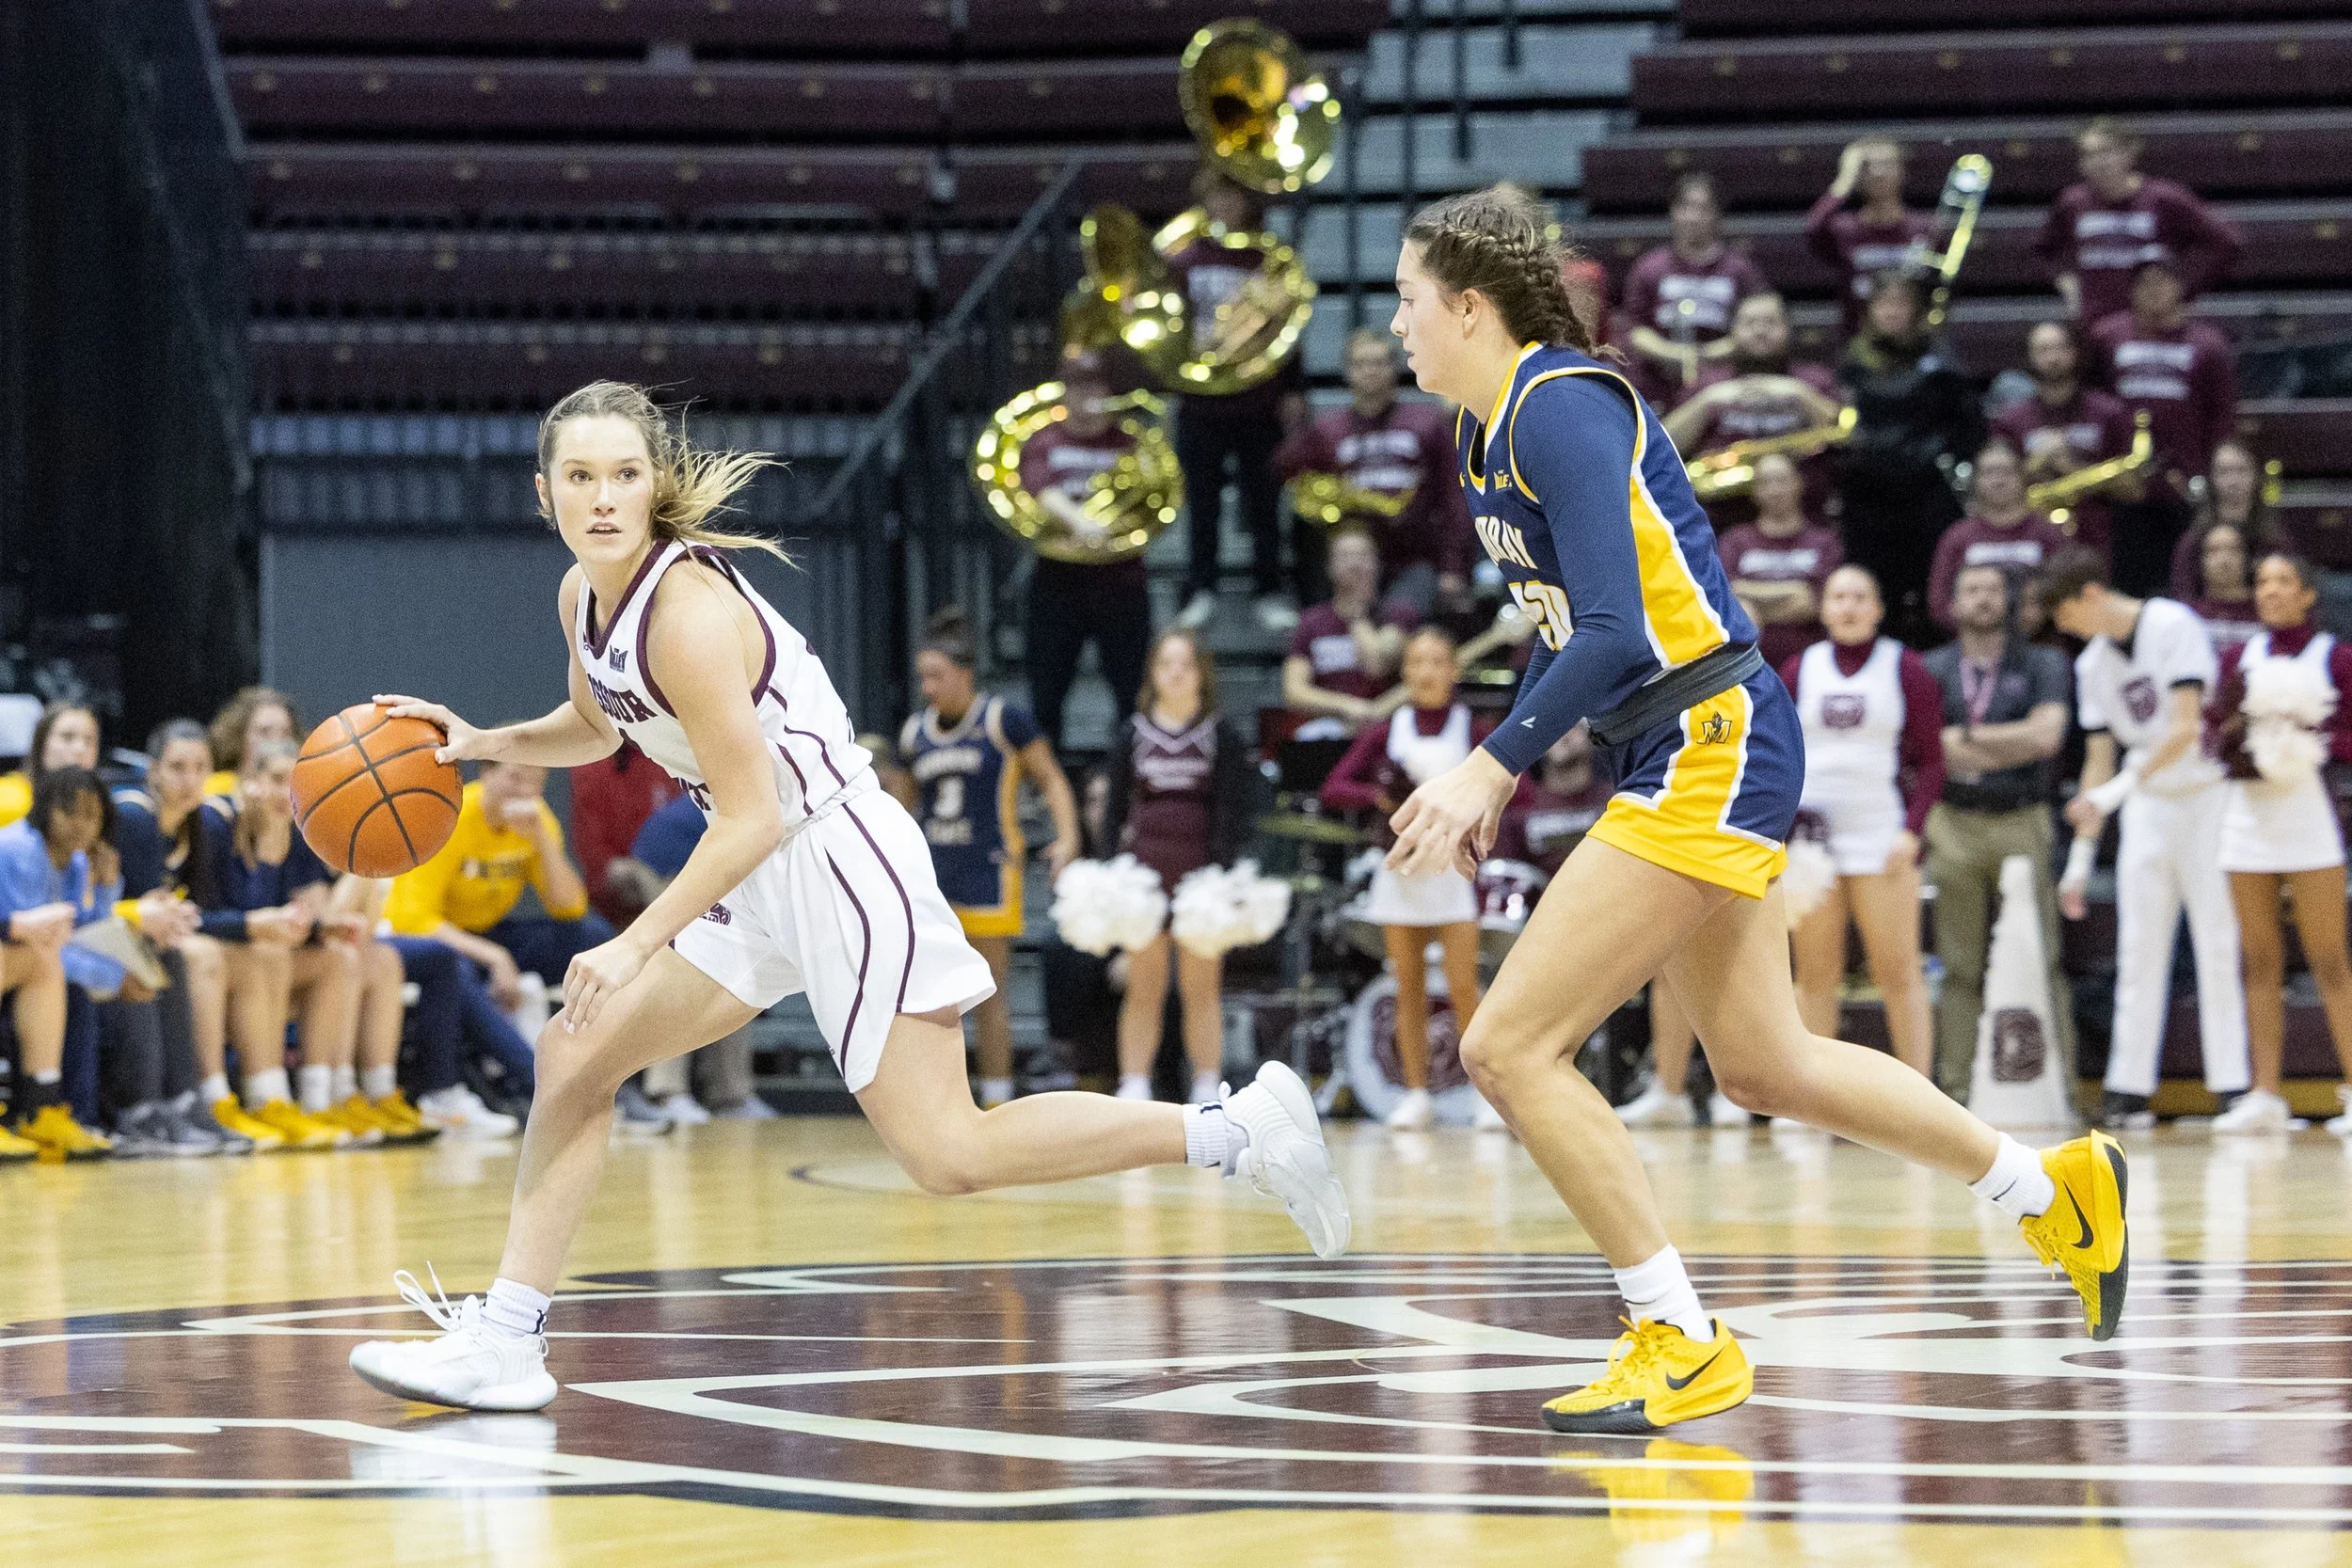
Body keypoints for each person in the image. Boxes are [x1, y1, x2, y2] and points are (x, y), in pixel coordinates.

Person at [348, 380, 1346, 1412]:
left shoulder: (688, 612)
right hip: (763, 866)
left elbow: (749, 818)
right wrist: (482, 740)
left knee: (946, 1153)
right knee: (573, 1054)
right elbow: (603, 722)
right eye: (581, 477)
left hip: (834, 855)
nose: (603, 498)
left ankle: (1236, 1129)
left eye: (625, 475)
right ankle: (508, 1338)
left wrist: (634, 942)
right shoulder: (581, 596)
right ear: (543, 491)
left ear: (654, 487)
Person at [1384, 185, 2124, 1436]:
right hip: (1668, 743)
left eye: (1407, 299)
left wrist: (1494, 762)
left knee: (1508, 1044)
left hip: (1708, 733)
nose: (1394, 322)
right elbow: (1566, 626)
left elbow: (1620, 626)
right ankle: (2049, 1184)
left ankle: (1676, 1331)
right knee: (1766, 1062)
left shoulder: (1561, 403)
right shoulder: (1480, 432)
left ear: (1467, 305)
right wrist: (1500, 753)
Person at [2042, 548, 2249, 1130]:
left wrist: (2115, 791)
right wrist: (2081, 859)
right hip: (2147, 808)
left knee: (2216, 939)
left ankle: (2231, 1082)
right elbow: (2098, 763)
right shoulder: (2092, 666)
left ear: (2088, 594)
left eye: (2063, 615)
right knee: (2139, 945)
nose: (2063, 630)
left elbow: (2185, 727)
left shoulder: (2173, 624)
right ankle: (2129, 1086)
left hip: (2206, 796)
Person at [1320, 627, 1503, 1132]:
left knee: (1465, 987)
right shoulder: (1387, 730)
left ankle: (1486, 1097)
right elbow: (1336, 785)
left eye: (1436, 661)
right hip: (1400, 872)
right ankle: (1417, 1094)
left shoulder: (1472, 728)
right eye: (1416, 662)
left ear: (1453, 670)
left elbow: (1516, 788)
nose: (1425, 672)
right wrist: (1379, 799)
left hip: (1451, 873)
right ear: (1405, 673)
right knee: (1408, 990)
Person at [899, 606, 1081, 1110]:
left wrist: (1067, 838)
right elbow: (903, 806)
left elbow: (1051, 779)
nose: (927, 688)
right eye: (923, 677)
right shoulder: (914, 732)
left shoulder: (1004, 719)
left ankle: (997, 1099)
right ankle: (942, 1100)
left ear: (965, 673)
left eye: (936, 676)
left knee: (986, 994)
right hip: (934, 873)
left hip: (990, 868)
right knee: (932, 998)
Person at [2204, 553, 2352, 1134]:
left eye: (2283, 581)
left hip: (2309, 818)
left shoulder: (2334, 655)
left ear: (2307, 593)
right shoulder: (2238, 656)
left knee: (2330, 960)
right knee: (2258, 958)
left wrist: (2305, 738)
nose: (2269, 591)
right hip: (2248, 819)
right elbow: (2217, 731)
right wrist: (2245, 747)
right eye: (2262, 582)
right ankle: (2265, 1092)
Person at [1922, 564, 2076, 1101]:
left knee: (2044, 954)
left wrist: (1966, 737)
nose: (1983, 600)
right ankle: (1957, 1090)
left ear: (2009, 601)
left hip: (2023, 817)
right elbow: (1929, 748)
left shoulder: (2044, 662)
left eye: (1993, 590)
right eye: (1971, 590)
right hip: (1954, 820)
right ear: (1953, 602)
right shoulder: (1932, 666)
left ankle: (2061, 1092)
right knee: (1959, 963)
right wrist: (2011, 738)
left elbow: (2048, 737)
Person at [1782, 566, 1941, 1077]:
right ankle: (1810, 1101)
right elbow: (1776, 753)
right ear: (1824, 609)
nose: (1849, 607)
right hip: (1810, 845)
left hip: (1882, 837)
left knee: (1899, 973)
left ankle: (1923, 1098)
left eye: (1860, 597)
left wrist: (1911, 832)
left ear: (1878, 608)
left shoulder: (1906, 667)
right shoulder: (1798, 669)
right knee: (1814, 975)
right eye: (1839, 597)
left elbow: (1933, 761)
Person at [1103, 626, 1255, 1106]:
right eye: (1166, 664)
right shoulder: (1132, 733)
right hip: (1146, 875)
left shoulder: (1219, 733)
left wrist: (1221, 876)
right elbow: (1113, 811)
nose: (1175, 673)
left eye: (1185, 664)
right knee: (1143, 988)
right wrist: (1113, 873)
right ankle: (1134, 1086)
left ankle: (1208, 1087)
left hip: (1199, 878)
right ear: (1153, 673)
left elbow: (1234, 810)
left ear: (1200, 674)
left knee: (1200, 988)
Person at [197, 740, 366, 1149]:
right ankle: (261, 1096)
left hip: (255, 955)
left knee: (338, 959)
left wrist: (319, 929)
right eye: (275, 779)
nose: (284, 793)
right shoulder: (218, 823)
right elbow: (219, 914)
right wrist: (269, 847)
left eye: (295, 783)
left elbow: (295, 912)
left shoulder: (295, 828)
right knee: (268, 957)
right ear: (249, 781)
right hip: (215, 951)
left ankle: (317, 1100)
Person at [1166, 172, 1309, 633]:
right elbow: (1169, 327)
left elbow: (1286, 330)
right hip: (1201, 402)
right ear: (1204, 199)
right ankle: (1200, 587)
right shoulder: (1184, 259)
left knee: (1263, 499)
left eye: (1233, 195)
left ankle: (1268, 588)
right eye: (1216, 195)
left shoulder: (1268, 259)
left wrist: (1293, 388)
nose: (1224, 204)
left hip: (1257, 399)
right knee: (1202, 501)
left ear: (1248, 202)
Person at [385, 754, 612, 1025]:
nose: (525, 791)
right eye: (515, 777)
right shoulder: (450, 819)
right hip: (443, 939)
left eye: (535, 782)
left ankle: (606, 1054)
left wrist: (542, 840)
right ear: (486, 773)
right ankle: (524, 1066)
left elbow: (570, 908)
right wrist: (496, 958)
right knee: (455, 968)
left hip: (491, 932)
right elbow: (412, 920)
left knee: (593, 937)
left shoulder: (535, 819)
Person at [110, 720, 249, 1151]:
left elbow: (198, 912)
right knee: (172, 952)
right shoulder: (135, 815)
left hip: (138, 940)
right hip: (103, 938)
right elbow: (136, 909)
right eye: (177, 767)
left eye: (200, 768)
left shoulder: (197, 826)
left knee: (176, 950)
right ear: (153, 770)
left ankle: (185, 1102)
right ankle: (147, 1106)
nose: (190, 780)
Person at [1273, 327, 1476, 616]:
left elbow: (1455, 500)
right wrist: (1294, 428)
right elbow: (1283, 469)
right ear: (1347, 371)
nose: (1370, 371)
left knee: (1399, 628)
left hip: (1416, 559)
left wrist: (1453, 567)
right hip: (1352, 562)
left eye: (1378, 362)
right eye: (1361, 363)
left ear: (1394, 369)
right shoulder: (1327, 431)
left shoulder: (1428, 424)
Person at [1018, 347, 1155, 752]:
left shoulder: (1134, 443)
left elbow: (1156, 499)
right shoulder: (1045, 440)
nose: (1088, 397)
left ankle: (1128, 780)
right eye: (1078, 388)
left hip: (1123, 582)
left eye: (1096, 387)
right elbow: (1038, 487)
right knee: (1047, 695)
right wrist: (1080, 521)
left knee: (1132, 694)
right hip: (1059, 580)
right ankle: (1048, 792)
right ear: (1064, 392)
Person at [1837, 270, 1982, 641]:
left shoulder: (1943, 364)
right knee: (1876, 593)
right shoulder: (1852, 365)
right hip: (1868, 501)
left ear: (1917, 311)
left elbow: (1968, 430)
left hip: (1926, 498)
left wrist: (1932, 458)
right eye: (1882, 304)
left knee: (1928, 594)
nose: (1891, 312)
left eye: (1900, 304)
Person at [2089, 259, 2239, 596]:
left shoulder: (2208, 344)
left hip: (2184, 484)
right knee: (2126, 584)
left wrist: (2212, 472)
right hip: (2124, 486)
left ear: (2180, 287)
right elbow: (2093, 402)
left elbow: (2222, 415)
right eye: (2145, 283)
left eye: (2163, 281)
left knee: (2184, 581)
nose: (2154, 290)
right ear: (2131, 291)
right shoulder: (2107, 337)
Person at [0, 768, 119, 1156]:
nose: (81, 825)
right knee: (45, 960)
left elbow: (88, 937)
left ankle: (41, 1108)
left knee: (48, 966)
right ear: (47, 808)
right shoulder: (18, 848)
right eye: (71, 812)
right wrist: (110, 979)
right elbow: (29, 933)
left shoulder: (78, 863)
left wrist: (105, 888)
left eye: (91, 815)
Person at [2036, 118, 2244, 327]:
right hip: (2094, 323)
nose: (2098, 162)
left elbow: (2225, 241)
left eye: (2106, 152)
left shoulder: (2163, 198)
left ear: (2129, 153)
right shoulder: (2072, 202)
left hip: (2149, 324)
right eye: (2088, 154)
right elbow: (2045, 250)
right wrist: (2067, 284)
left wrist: (2182, 290)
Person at [1661, 292, 1844, 528]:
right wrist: (1706, 401)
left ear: (1788, 329)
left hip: (1806, 524)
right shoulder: (1706, 384)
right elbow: (1664, 444)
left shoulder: (1815, 381)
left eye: (1771, 322)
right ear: (1732, 331)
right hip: (1719, 521)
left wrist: (1800, 394)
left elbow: (1843, 434)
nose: (1760, 331)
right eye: (1749, 323)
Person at [1613, 172, 1767, 408]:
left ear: (1717, 214)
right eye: (1685, 207)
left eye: (1703, 209)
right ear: (1673, 212)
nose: (1693, 217)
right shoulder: (1648, 268)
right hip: (1657, 383)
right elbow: (1635, 331)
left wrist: (1704, 355)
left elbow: (1758, 325)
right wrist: (1674, 354)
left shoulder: (1740, 270)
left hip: (1723, 383)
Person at [1992, 321, 2139, 562]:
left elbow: (2134, 488)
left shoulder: (2109, 413)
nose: (2053, 358)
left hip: (2100, 540)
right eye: (2043, 350)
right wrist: (2036, 463)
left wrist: (2069, 465)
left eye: (2061, 348)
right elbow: (1994, 487)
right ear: (2028, 358)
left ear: (2076, 352)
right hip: (2030, 539)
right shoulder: (2011, 421)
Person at [1280, 528, 1421, 737]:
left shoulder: (1398, 615)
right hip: (1331, 726)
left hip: (1388, 726)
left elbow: (1377, 666)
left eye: (1363, 555)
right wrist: (1347, 707)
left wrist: (1357, 617)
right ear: (1330, 567)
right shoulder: (1311, 621)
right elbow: (1294, 691)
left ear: (1377, 564)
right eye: (1345, 556)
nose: (1355, 565)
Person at [1926, 439, 2074, 630]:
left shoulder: (2047, 533)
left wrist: (2040, 615)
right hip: (1976, 645)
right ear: (1976, 480)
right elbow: (1939, 603)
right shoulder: (1957, 536)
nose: (1998, 480)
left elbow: (2068, 593)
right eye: (1989, 473)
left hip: (2040, 642)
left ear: (2022, 477)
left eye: (2006, 472)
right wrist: (1981, 621)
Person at [1714, 452, 1842, 673]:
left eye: (1781, 480)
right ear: (1754, 490)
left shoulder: (1825, 542)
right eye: (1765, 482)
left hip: (1811, 669)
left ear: (1799, 483)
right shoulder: (1734, 541)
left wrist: (1749, 600)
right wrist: (1793, 591)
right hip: (1746, 669)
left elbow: (1812, 604)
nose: (1774, 490)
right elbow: (1724, 599)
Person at [1806, 135, 1932, 340]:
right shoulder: (1844, 229)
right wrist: (1845, 179)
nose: (1877, 172)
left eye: (1886, 164)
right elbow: (1814, 229)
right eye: (1867, 166)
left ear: (1902, 171)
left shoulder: (1925, 229)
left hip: (1915, 342)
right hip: (1858, 341)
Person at [565, 739, 681, 927]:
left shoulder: (667, 760)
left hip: (672, 869)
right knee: (643, 879)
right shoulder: (590, 768)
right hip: (619, 875)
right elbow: (590, 846)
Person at [2169, 438, 2278, 611]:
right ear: (2212, 477)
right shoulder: (2193, 541)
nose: (2233, 480)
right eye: (2224, 471)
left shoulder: (2273, 539)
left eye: (2242, 470)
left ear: (2256, 475)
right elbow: (2182, 596)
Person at [0, 701, 101, 829]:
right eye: (67, 737)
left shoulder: (99, 810)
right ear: (41, 743)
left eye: (89, 740)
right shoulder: (6, 797)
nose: (80, 749)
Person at [205, 686, 299, 796]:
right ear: (238, 737)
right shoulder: (214, 791)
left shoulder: (297, 797)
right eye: (264, 732)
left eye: (285, 733)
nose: (276, 741)